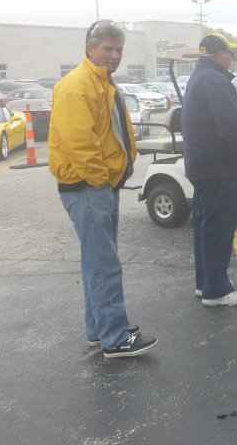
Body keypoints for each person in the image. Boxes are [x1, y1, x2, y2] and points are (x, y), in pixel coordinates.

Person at [48, 20, 157, 358]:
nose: (114, 55)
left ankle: (100, 328)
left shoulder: (103, 83)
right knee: (104, 264)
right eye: (108, 48)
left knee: (96, 262)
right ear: (89, 48)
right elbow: (80, 143)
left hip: (100, 186)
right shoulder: (76, 86)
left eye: (119, 49)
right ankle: (114, 337)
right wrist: (101, 180)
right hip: (87, 187)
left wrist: (115, 176)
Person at [182, 33, 237, 307]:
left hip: (202, 166)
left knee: (205, 227)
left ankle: (206, 284)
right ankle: (217, 291)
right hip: (219, 168)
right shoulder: (216, 81)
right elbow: (231, 126)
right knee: (219, 229)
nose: (231, 58)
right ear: (219, 54)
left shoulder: (199, 77)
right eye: (230, 53)